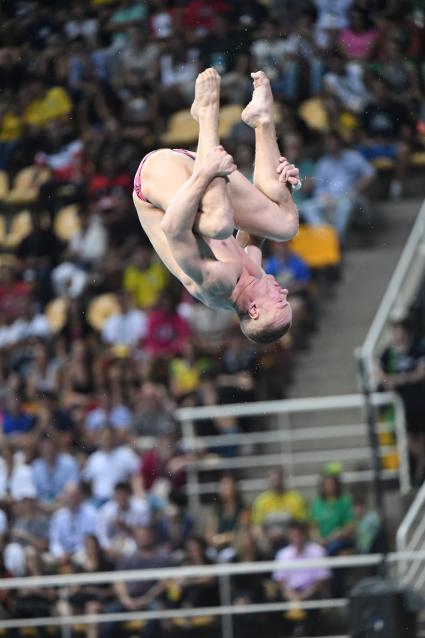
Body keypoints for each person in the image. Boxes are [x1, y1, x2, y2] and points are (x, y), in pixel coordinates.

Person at [133, 68, 301, 344]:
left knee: (219, 226)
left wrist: (204, 174)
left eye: (280, 303)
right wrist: (284, 187)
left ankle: (207, 112)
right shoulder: (255, 278)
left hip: (158, 180)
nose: (284, 293)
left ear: (254, 310)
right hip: (202, 172)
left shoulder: (217, 286)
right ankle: (262, 119)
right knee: (285, 225)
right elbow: (254, 234)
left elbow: (173, 228)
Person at [273, 520, 330, 637]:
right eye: (293, 535)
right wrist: (289, 594)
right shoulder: (282, 554)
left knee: (313, 603)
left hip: (310, 592)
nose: (296, 538)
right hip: (289, 593)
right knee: (274, 604)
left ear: (305, 534)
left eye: (299, 535)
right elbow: (280, 580)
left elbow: (321, 580)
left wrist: (303, 595)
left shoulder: (318, 551)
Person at [251, 467, 307, 553]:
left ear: (283, 479)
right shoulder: (261, 501)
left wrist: (287, 535)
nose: (276, 482)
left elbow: (302, 524)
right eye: (273, 480)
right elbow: (257, 526)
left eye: (278, 479)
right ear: (268, 481)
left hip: (291, 540)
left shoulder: (296, 499)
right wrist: (266, 537)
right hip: (269, 541)